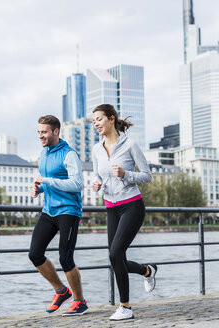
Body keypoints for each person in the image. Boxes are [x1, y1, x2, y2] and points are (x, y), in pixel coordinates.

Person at [91, 104, 157, 321]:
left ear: (111, 119)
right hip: (111, 206)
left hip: (132, 206)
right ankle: (147, 271)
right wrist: (96, 183)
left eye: (99, 119)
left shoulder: (130, 145)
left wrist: (126, 174)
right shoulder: (96, 149)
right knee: (115, 257)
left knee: (115, 253)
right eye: (94, 121)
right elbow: (98, 174)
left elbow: (147, 175)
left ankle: (125, 307)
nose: (96, 124)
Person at [29, 115, 89, 316]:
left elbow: (77, 184)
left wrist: (46, 180)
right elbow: (52, 182)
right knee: (35, 254)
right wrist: (40, 189)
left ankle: (80, 302)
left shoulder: (68, 154)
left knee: (66, 258)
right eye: (38, 132)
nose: (41, 136)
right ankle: (61, 291)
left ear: (55, 131)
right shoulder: (44, 153)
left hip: (68, 211)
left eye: (44, 132)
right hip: (49, 210)